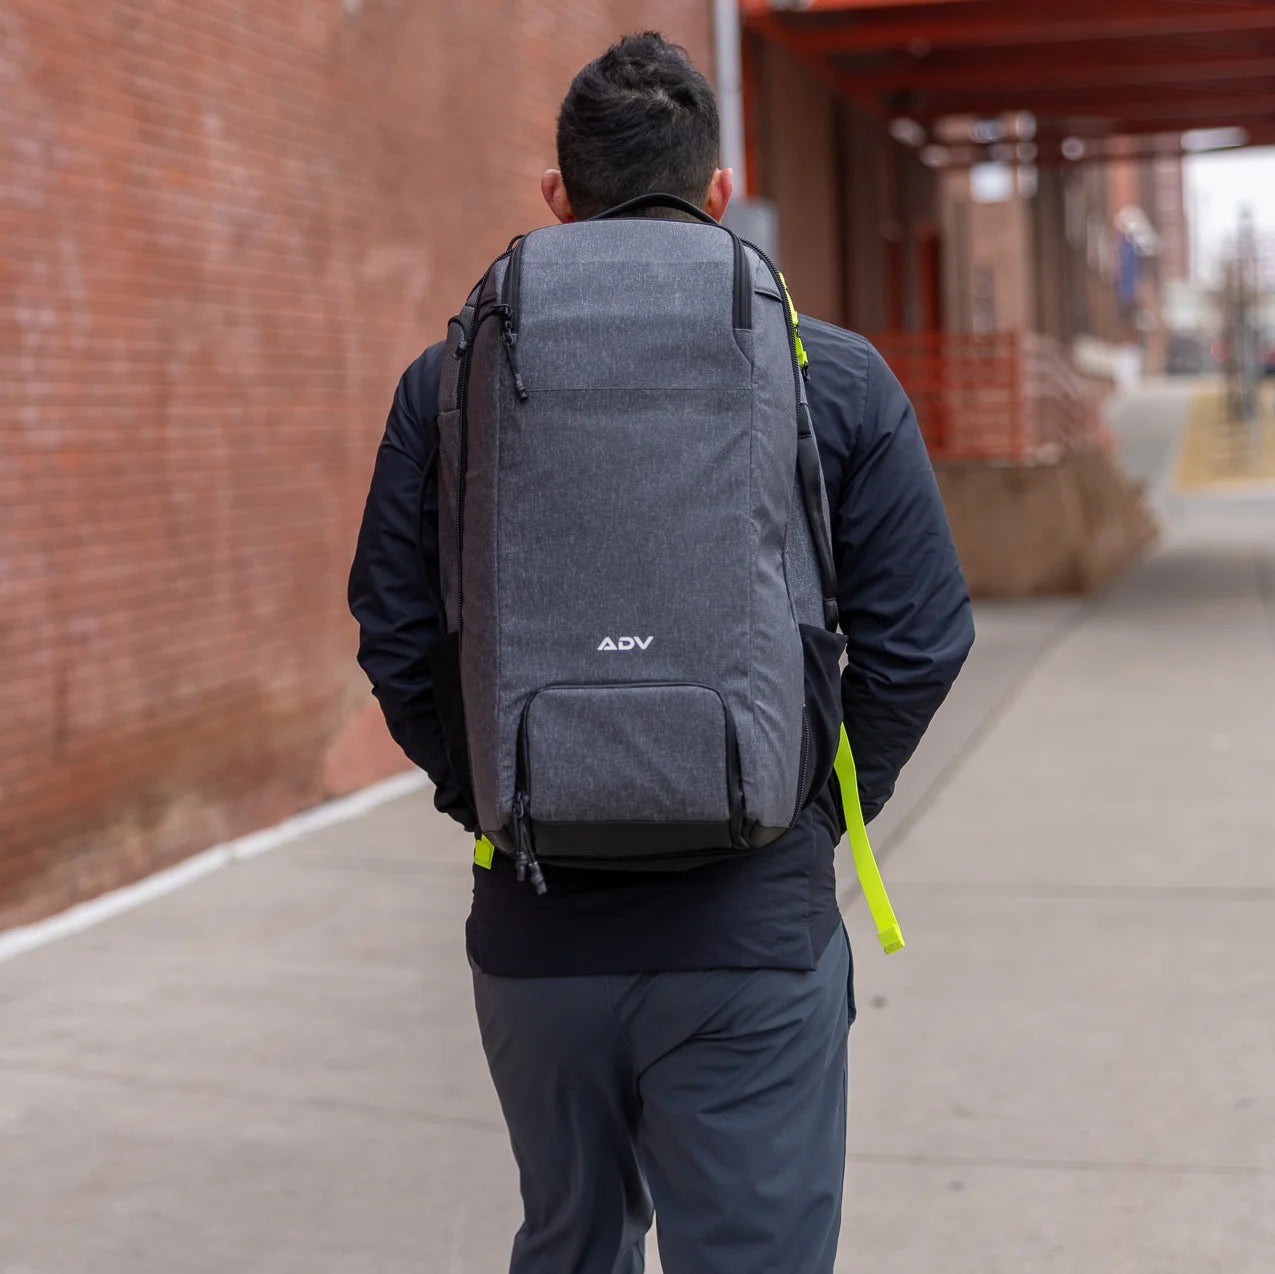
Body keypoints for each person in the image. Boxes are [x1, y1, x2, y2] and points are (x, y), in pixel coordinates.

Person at [348, 31, 974, 1274]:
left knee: (571, 1246)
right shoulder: (828, 372)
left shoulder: (449, 379)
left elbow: (396, 629)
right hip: (750, 935)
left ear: (556, 197)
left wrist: (491, 790)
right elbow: (922, 634)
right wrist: (816, 806)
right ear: (721, 193)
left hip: (536, 931)